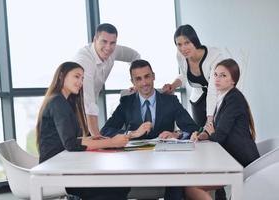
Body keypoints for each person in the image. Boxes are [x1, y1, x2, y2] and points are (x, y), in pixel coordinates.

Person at [101, 59, 199, 200]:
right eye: (138, 79)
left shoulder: (170, 101)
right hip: (134, 163)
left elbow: (192, 128)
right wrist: (132, 134)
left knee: (178, 181)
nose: (144, 83)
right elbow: (106, 130)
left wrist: (176, 134)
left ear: (153, 76)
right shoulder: (126, 103)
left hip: (166, 162)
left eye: (147, 76)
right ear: (133, 81)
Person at [36, 62, 130, 200]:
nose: (80, 82)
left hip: (65, 165)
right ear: (62, 76)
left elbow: (72, 140)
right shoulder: (57, 102)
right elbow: (71, 144)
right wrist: (111, 142)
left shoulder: (64, 102)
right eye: (76, 76)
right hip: (56, 172)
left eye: (82, 78)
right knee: (116, 188)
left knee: (120, 186)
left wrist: (97, 140)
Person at [187, 58, 260, 200]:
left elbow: (219, 135)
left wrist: (212, 132)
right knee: (193, 180)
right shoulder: (224, 98)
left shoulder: (234, 99)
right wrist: (202, 135)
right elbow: (213, 130)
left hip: (241, 162)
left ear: (233, 80)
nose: (217, 79)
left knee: (191, 186)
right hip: (230, 159)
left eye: (223, 75)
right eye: (215, 74)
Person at [72, 23, 140, 137]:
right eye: (104, 41)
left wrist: (137, 82)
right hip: (71, 108)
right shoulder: (84, 60)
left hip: (87, 109)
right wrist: (97, 137)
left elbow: (135, 56)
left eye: (112, 43)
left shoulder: (114, 51)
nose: (108, 47)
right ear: (95, 39)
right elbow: (88, 101)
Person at [162, 24, 223, 128]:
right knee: (200, 134)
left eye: (187, 43)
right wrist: (173, 85)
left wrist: (209, 121)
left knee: (217, 133)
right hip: (198, 100)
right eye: (179, 44)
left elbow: (213, 89)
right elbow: (184, 75)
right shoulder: (180, 56)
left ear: (194, 40)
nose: (183, 48)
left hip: (217, 97)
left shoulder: (214, 56)